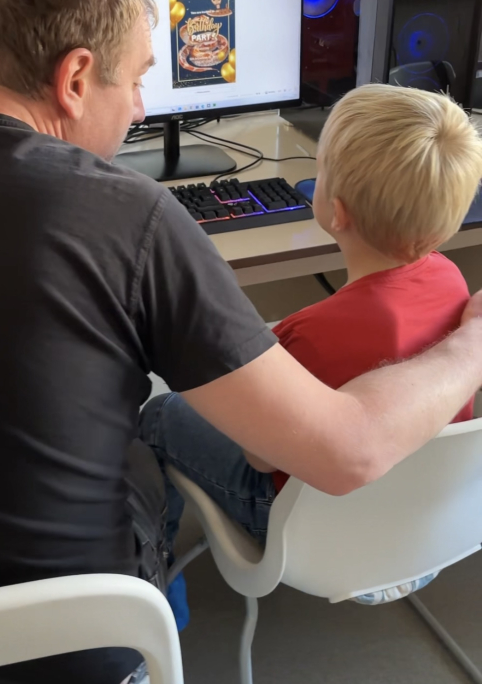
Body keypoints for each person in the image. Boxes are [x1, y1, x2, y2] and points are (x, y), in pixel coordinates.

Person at [0, 0, 482, 684]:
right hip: (62, 676)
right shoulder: (128, 216)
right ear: (75, 79)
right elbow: (347, 450)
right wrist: (470, 342)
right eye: (139, 78)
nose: (141, 108)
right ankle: (162, 633)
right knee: (141, 433)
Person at [140, 84, 482, 557]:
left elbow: (260, 457)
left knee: (162, 412)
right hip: (419, 518)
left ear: (336, 212)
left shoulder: (313, 333)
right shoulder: (453, 281)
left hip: (311, 531)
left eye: (319, 170)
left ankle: (153, 565)